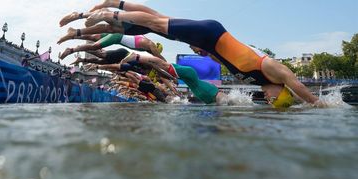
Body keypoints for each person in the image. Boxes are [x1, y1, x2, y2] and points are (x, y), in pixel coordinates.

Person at [77, 0, 325, 108]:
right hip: (212, 33)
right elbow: (298, 85)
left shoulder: (259, 81)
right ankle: (111, 16)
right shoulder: (272, 70)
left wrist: (205, 53)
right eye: (275, 100)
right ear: (281, 91)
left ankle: (117, 4)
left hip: (209, 44)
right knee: (157, 23)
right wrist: (319, 105)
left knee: (160, 21)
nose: (268, 100)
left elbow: (225, 59)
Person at [119, 52, 234, 105]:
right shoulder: (215, 94)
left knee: (164, 65)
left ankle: (138, 57)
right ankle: (137, 56)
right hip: (193, 78)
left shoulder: (211, 97)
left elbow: (164, 76)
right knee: (164, 64)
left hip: (197, 84)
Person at [58, 32, 165, 60]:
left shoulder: (145, 42)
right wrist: (170, 67)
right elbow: (159, 58)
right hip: (117, 37)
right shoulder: (150, 44)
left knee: (93, 37)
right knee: (94, 46)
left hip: (117, 36)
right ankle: (71, 50)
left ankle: (72, 35)